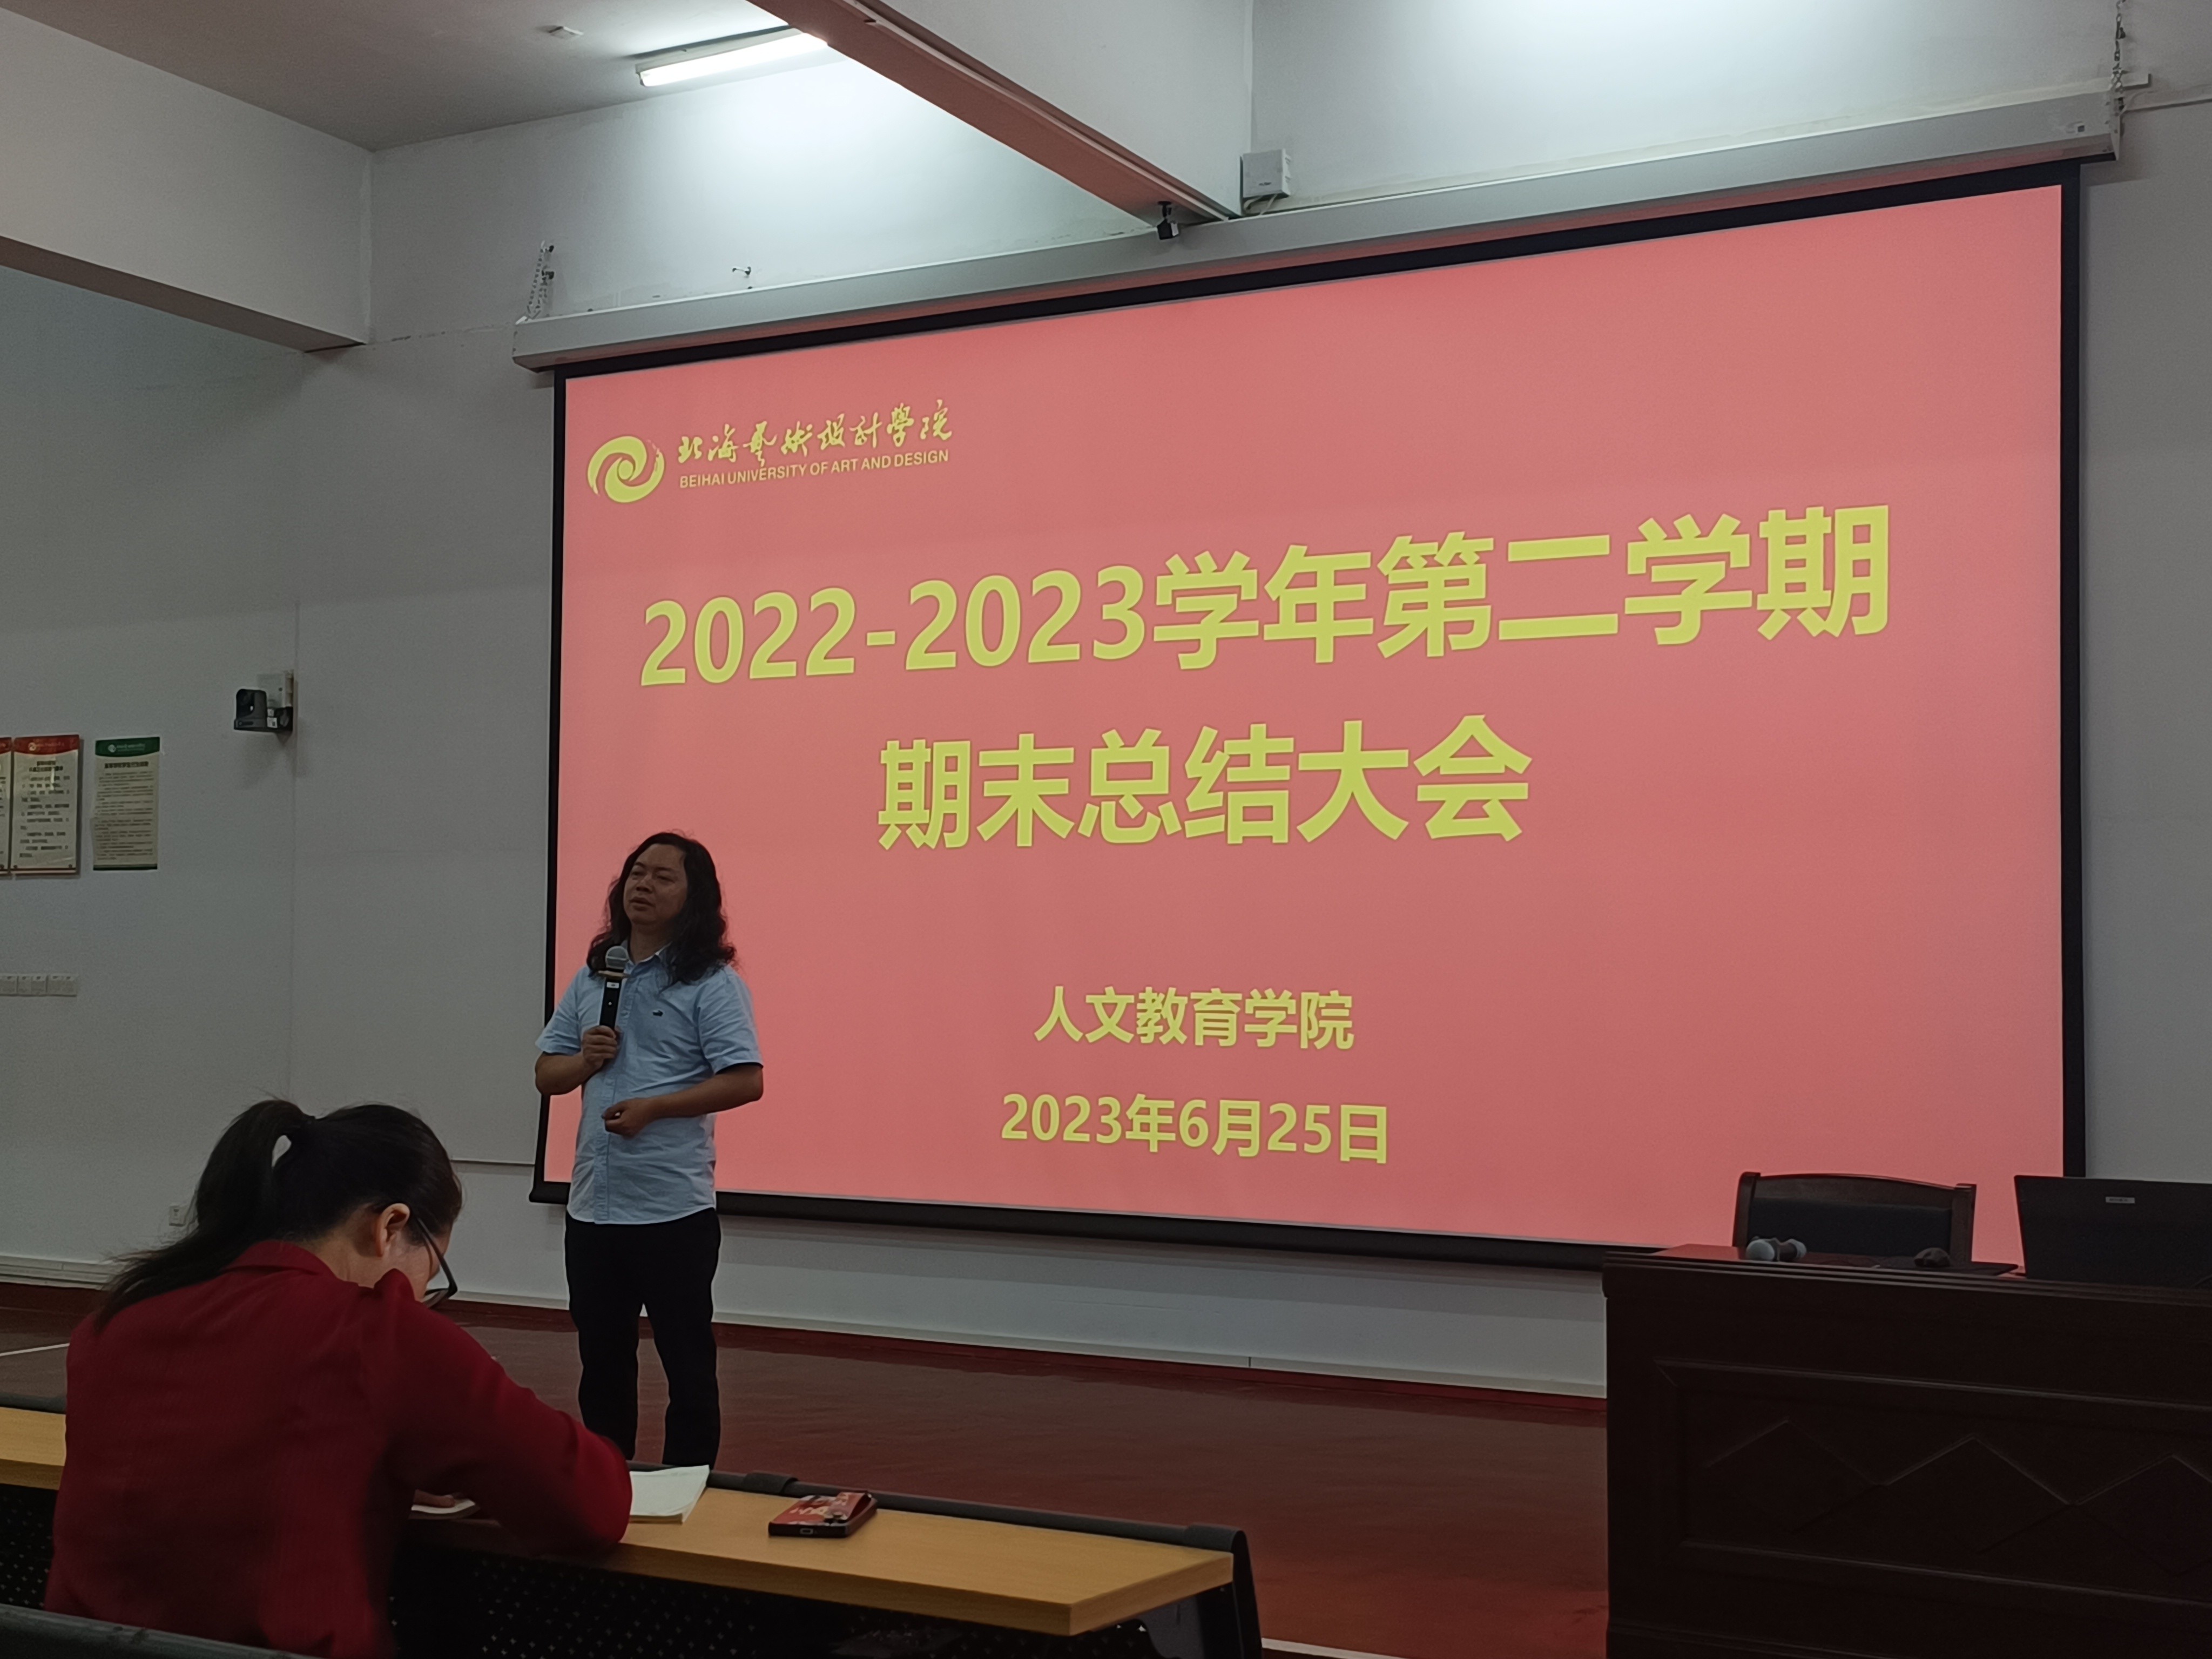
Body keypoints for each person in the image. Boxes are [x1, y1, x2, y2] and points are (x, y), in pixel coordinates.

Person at [48, 1099, 629, 1659]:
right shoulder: (375, 1333)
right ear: (390, 1226)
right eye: (433, 1270)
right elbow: (590, 1506)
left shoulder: (116, 1321)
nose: (423, 1295)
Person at [535, 831, 763, 1468]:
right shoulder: (595, 975)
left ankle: (691, 1485)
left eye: (664, 877)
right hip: (593, 1208)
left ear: (694, 897)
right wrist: (585, 1061)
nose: (644, 885)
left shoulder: (711, 983)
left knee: (687, 1364)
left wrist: (656, 1108)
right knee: (601, 1361)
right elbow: (547, 1074)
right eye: (637, 872)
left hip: (670, 1208)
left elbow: (746, 1080)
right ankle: (609, 1480)